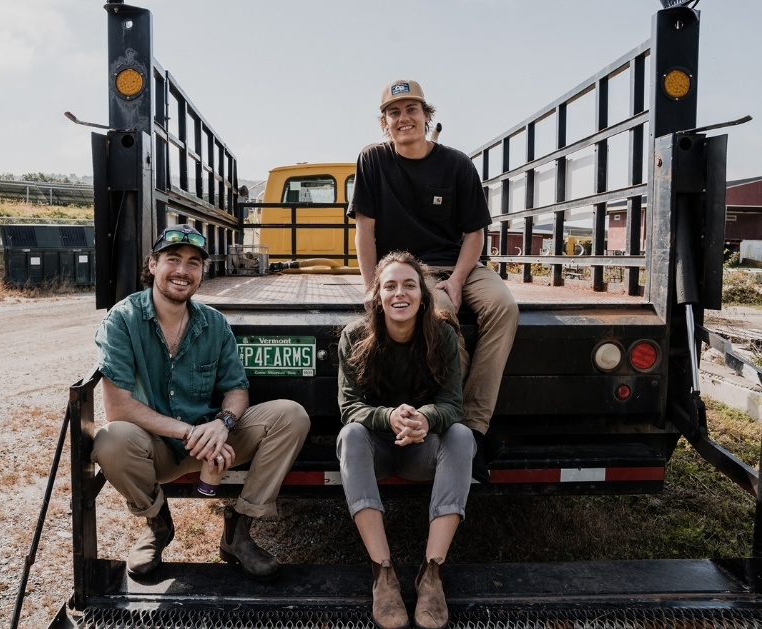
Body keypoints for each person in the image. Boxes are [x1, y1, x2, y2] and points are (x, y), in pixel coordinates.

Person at [91, 224, 310, 581]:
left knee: (291, 415)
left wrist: (223, 424)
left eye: (193, 263)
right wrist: (191, 431)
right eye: (173, 260)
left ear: (201, 273)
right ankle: (156, 525)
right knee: (110, 440)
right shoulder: (123, 319)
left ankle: (239, 531)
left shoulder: (215, 324)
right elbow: (119, 408)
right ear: (152, 264)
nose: (182, 271)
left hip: (214, 443)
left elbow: (237, 389)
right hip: (157, 447)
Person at [347, 78, 520, 482]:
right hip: (409, 270)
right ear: (384, 123)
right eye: (394, 112)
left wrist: (459, 280)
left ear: (427, 116)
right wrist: (372, 287)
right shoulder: (372, 160)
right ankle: (455, 422)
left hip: (459, 264)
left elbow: (475, 233)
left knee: (504, 307)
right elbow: (365, 231)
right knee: (440, 316)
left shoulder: (456, 163)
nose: (403, 118)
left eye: (412, 110)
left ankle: (473, 429)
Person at [336, 251, 474, 629]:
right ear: (377, 295)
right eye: (390, 286)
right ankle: (384, 574)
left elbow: (452, 405)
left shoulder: (442, 334)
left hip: (420, 451)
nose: (400, 293)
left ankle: (432, 574)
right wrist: (389, 416)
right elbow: (349, 407)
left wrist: (424, 419)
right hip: (375, 451)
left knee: (461, 436)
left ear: (423, 295)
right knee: (350, 434)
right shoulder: (354, 336)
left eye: (409, 285)